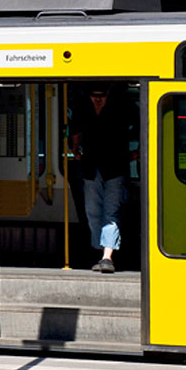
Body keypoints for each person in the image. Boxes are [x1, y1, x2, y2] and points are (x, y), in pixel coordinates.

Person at [71, 87, 136, 272]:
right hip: (92, 168)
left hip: (115, 167)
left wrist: (136, 151)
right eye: (94, 96)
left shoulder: (121, 109)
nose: (98, 99)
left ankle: (107, 256)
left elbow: (142, 124)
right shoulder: (82, 109)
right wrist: (75, 149)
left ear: (108, 95)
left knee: (111, 212)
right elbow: (75, 132)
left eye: (101, 96)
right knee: (92, 212)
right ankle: (101, 252)